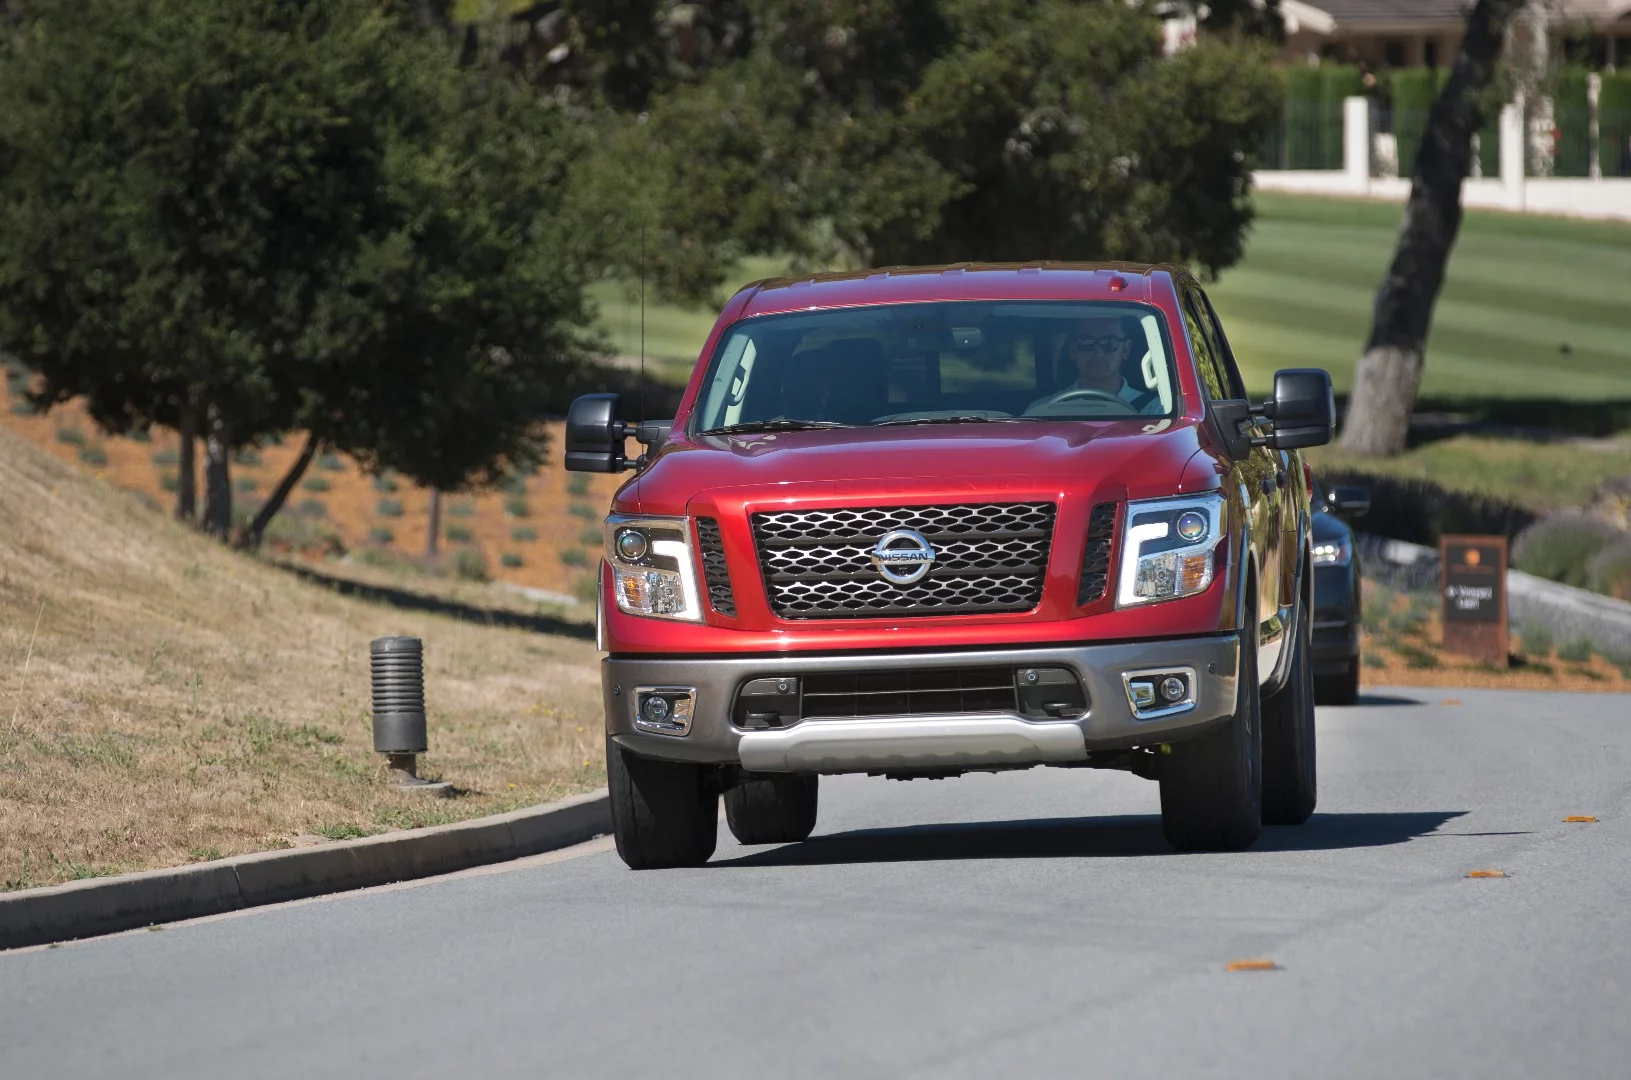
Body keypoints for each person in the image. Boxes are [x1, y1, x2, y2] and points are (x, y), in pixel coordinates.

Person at [1025, 316, 1163, 415]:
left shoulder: (1155, 411)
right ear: (1072, 350)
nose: (1098, 354)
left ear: (1126, 350)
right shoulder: (1043, 411)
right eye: (1086, 342)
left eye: (1109, 343)